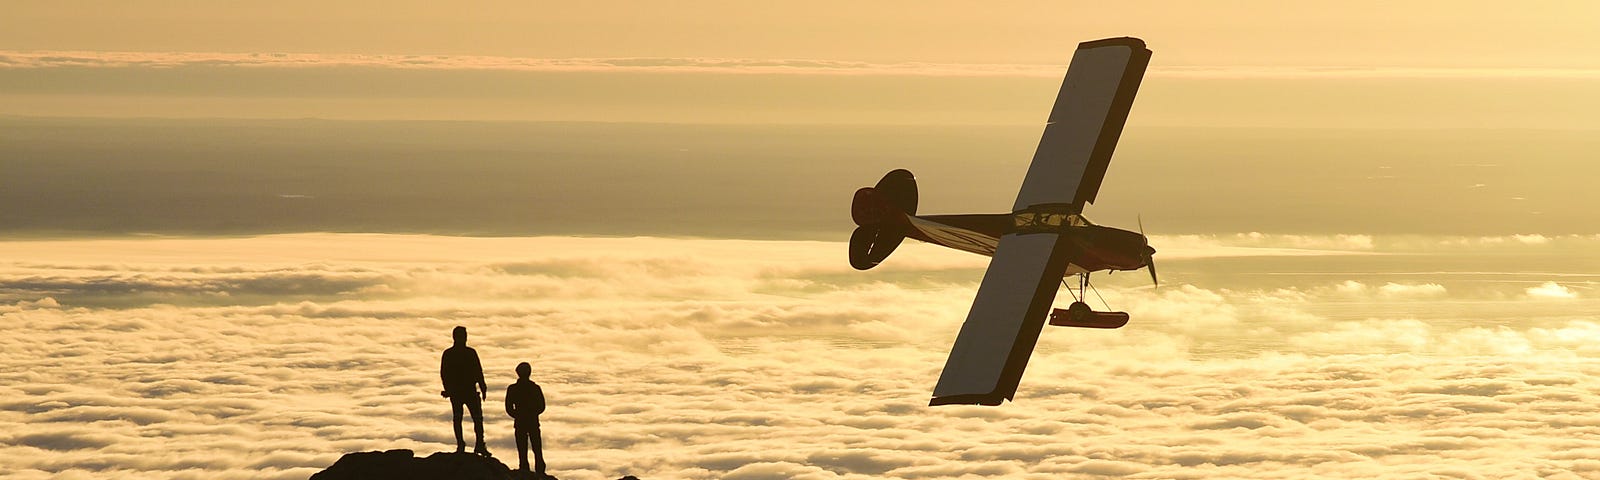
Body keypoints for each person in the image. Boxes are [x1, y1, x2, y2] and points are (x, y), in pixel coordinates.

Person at [440, 326, 489, 455]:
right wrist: (448, 389)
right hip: (462, 391)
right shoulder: (459, 353)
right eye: (463, 335)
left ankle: (477, 444)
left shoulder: (456, 353)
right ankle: (463, 444)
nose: (465, 338)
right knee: (464, 418)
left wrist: (483, 387)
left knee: (473, 418)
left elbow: (478, 371)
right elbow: (444, 374)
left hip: (464, 391)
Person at [504, 361, 546, 474]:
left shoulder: (513, 388)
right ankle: (539, 471)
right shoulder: (535, 388)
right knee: (535, 448)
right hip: (531, 421)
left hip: (522, 421)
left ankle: (526, 470)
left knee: (524, 448)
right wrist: (532, 414)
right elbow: (541, 406)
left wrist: (518, 415)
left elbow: (509, 407)